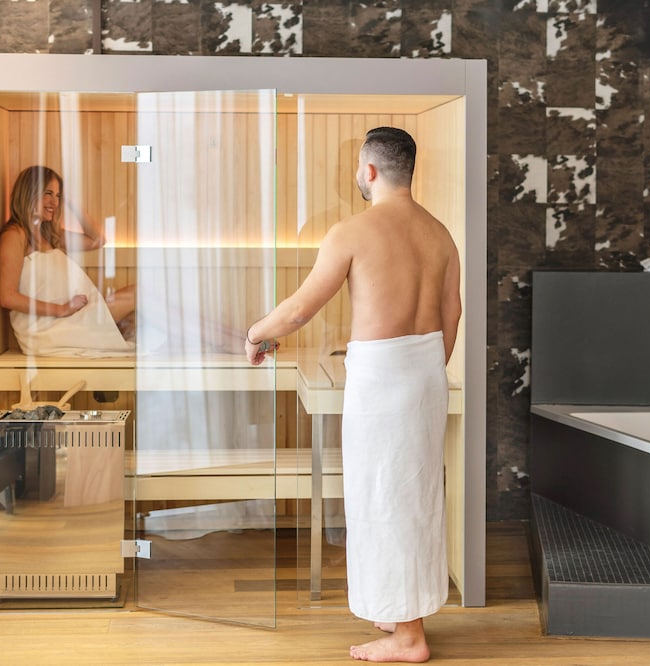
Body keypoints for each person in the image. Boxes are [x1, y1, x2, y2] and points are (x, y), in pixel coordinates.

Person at [245, 127, 462, 663]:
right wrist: (425, 368)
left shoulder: (353, 231)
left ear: (369, 171)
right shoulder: (440, 235)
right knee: (414, 497)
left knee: (383, 498)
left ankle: (408, 637)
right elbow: (452, 313)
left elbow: (300, 309)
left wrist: (256, 334)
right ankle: (399, 614)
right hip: (426, 373)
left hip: (383, 379)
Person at [0, 165, 136, 357]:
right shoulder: (15, 235)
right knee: (138, 294)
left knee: (135, 319)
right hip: (49, 329)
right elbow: (7, 296)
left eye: (58, 196)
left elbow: (98, 240)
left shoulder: (50, 235)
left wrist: (70, 201)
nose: (54, 202)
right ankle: (182, 346)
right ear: (29, 193)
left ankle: (179, 348)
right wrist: (61, 309)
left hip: (72, 318)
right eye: (48, 193)